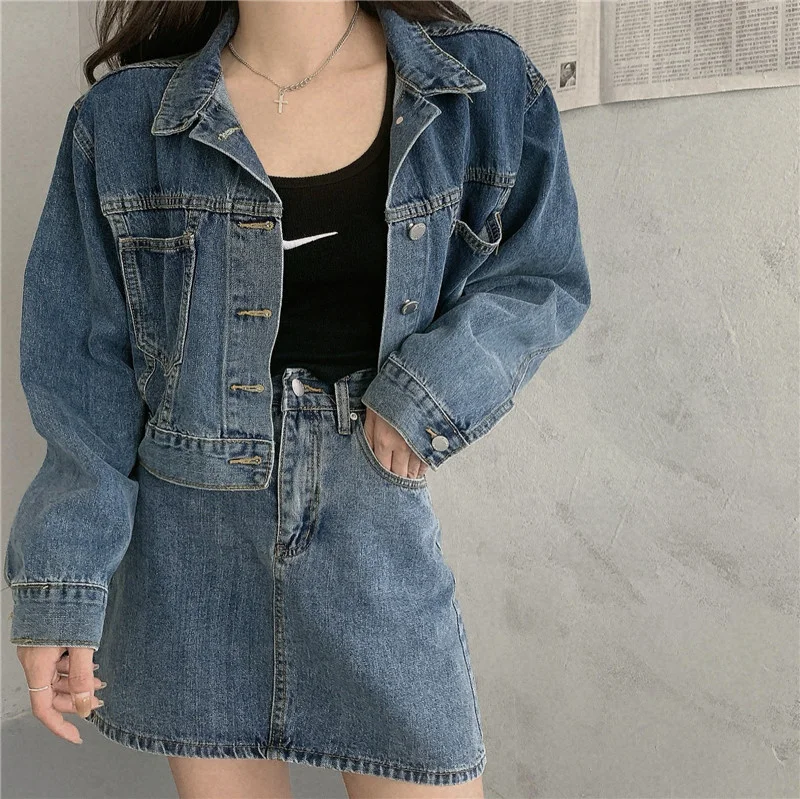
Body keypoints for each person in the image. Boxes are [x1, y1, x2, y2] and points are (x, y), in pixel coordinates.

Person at [5, 1, 592, 797]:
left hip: (374, 532)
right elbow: (83, 376)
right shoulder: (121, 121)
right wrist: (62, 585)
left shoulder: (478, 87)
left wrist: (424, 398)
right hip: (193, 548)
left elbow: (539, 274)